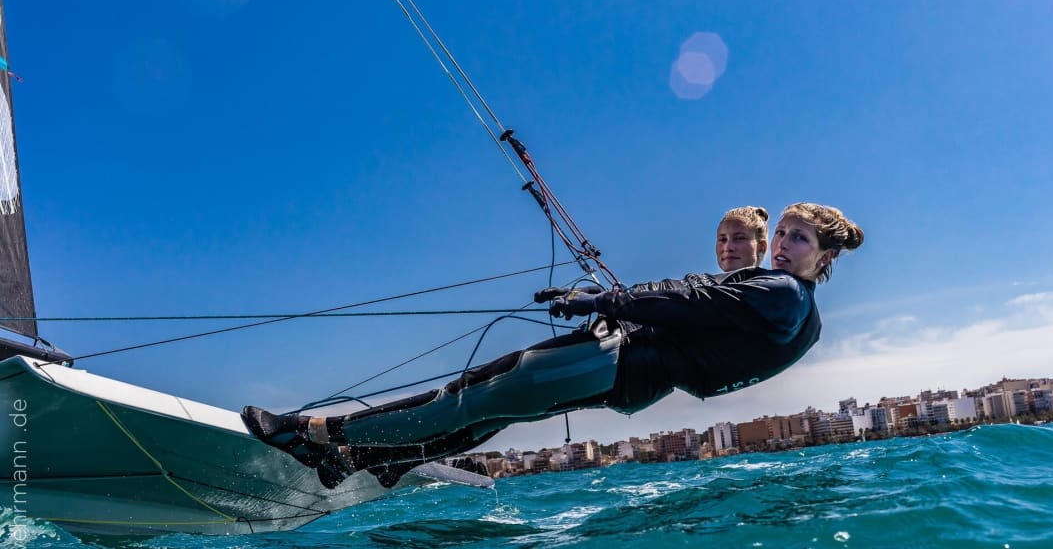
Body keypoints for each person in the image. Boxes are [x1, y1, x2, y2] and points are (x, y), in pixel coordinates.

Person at [243, 202, 864, 488]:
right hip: (635, 375)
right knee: (497, 407)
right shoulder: (802, 311)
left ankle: (319, 434)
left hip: (623, 358)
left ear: (825, 255)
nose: (782, 244)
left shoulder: (780, 292)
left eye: (799, 238)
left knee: (472, 395)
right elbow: (708, 317)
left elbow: (690, 303)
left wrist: (604, 301)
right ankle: (372, 459)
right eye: (781, 232)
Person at [716, 206, 769, 271]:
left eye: (739, 238)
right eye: (722, 239)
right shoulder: (704, 280)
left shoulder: (781, 280)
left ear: (762, 247)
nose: (728, 248)